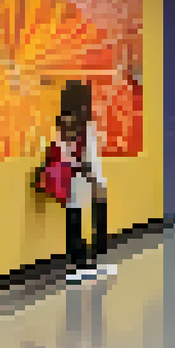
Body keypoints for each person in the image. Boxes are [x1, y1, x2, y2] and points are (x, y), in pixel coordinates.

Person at [54, 81, 114, 282]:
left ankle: (78, 263)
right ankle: (88, 262)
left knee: (74, 218)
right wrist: (95, 179)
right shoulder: (83, 125)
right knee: (91, 218)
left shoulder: (62, 123)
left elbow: (63, 151)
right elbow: (87, 156)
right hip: (84, 176)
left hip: (70, 175)